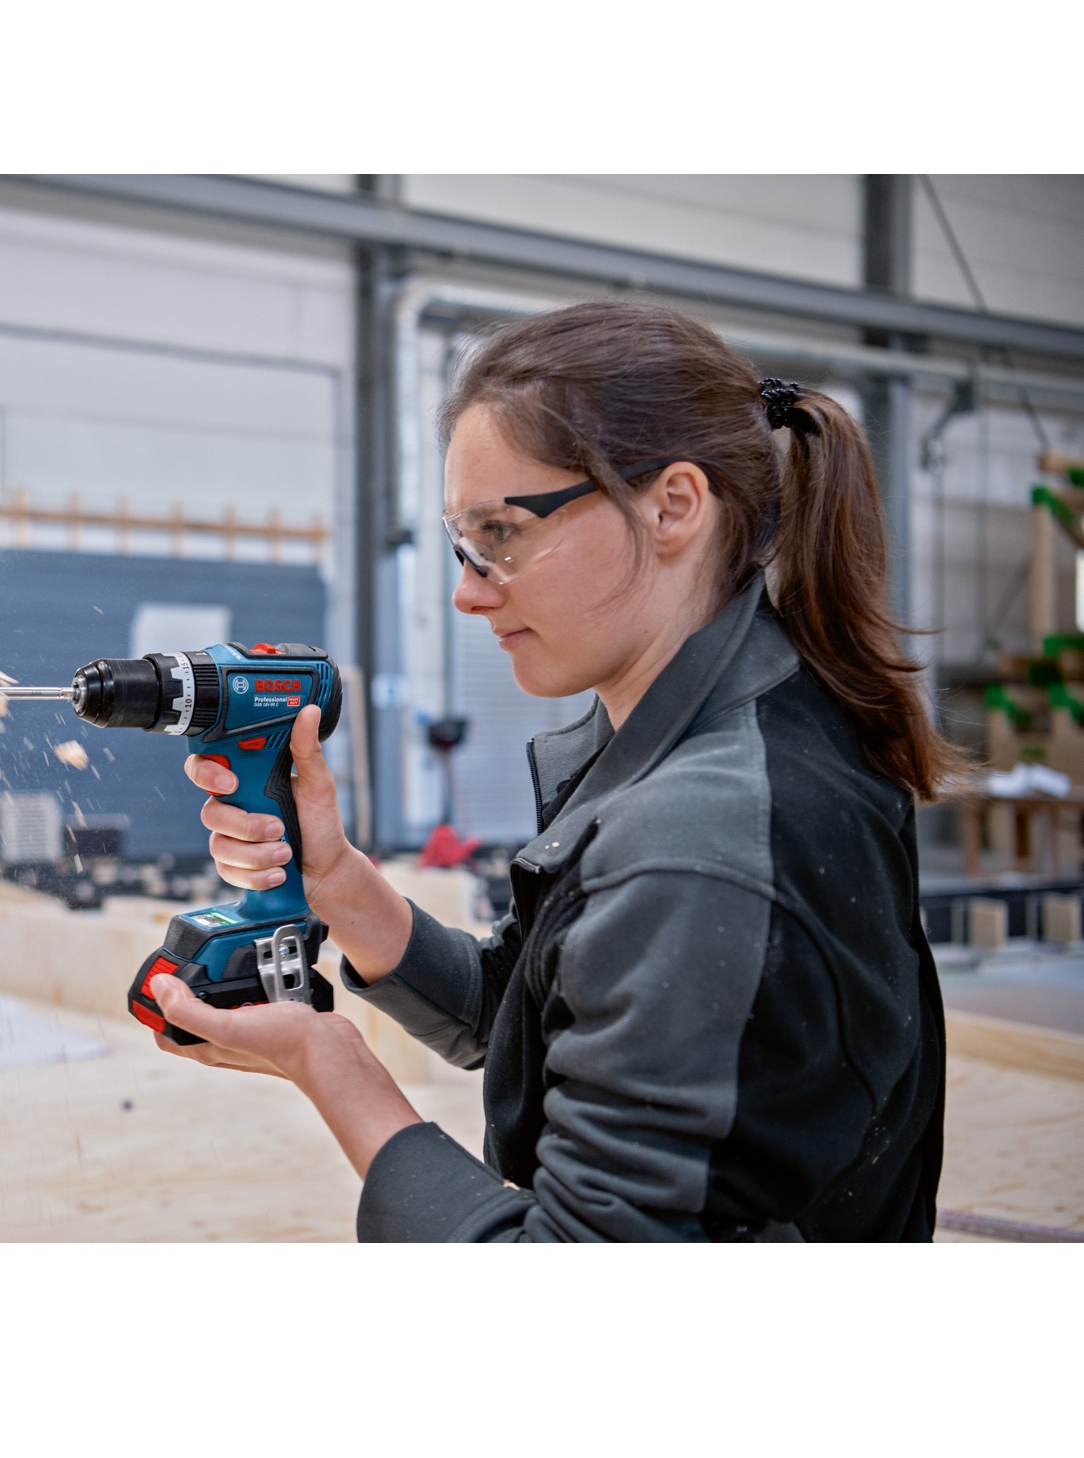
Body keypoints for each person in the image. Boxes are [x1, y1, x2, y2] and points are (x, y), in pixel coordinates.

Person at [148, 300, 954, 1242]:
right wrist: (340, 884)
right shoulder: (711, 721)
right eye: (462, 542)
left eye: (502, 533)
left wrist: (333, 1066)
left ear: (673, 506)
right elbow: (539, 1011)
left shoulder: (698, 835)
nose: (466, 590)